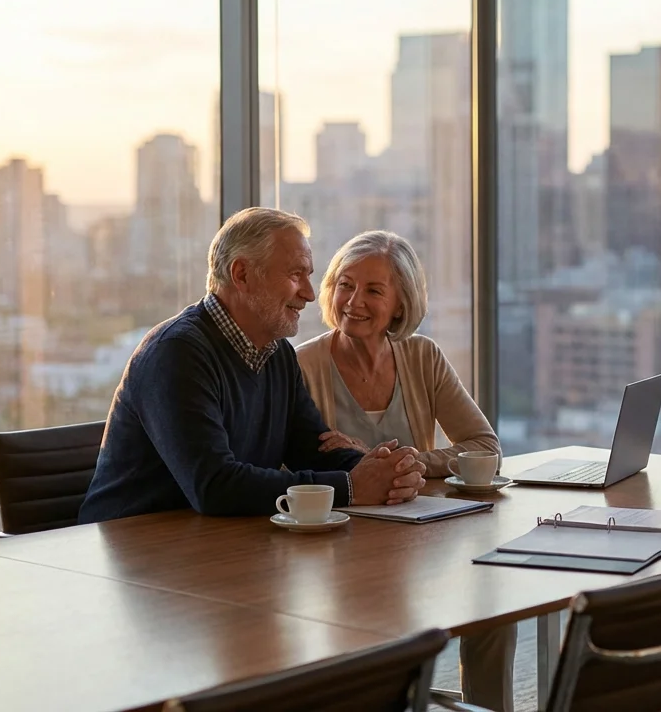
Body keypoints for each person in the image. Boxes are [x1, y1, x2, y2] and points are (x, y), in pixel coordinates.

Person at [79, 208, 426, 524]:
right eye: (295, 275)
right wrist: (351, 487)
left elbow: (315, 450)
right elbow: (215, 486)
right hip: (131, 559)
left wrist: (385, 474)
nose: (308, 292)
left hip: (210, 548)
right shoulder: (177, 353)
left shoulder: (277, 354)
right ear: (242, 275)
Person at [294, 230, 515, 712]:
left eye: (374, 290)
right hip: (339, 549)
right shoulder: (301, 365)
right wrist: (368, 468)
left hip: (418, 542)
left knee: (494, 612)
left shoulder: (423, 357)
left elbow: (484, 448)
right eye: (345, 285)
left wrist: (405, 460)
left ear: (399, 304)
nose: (354, 301)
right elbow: (291, 465)